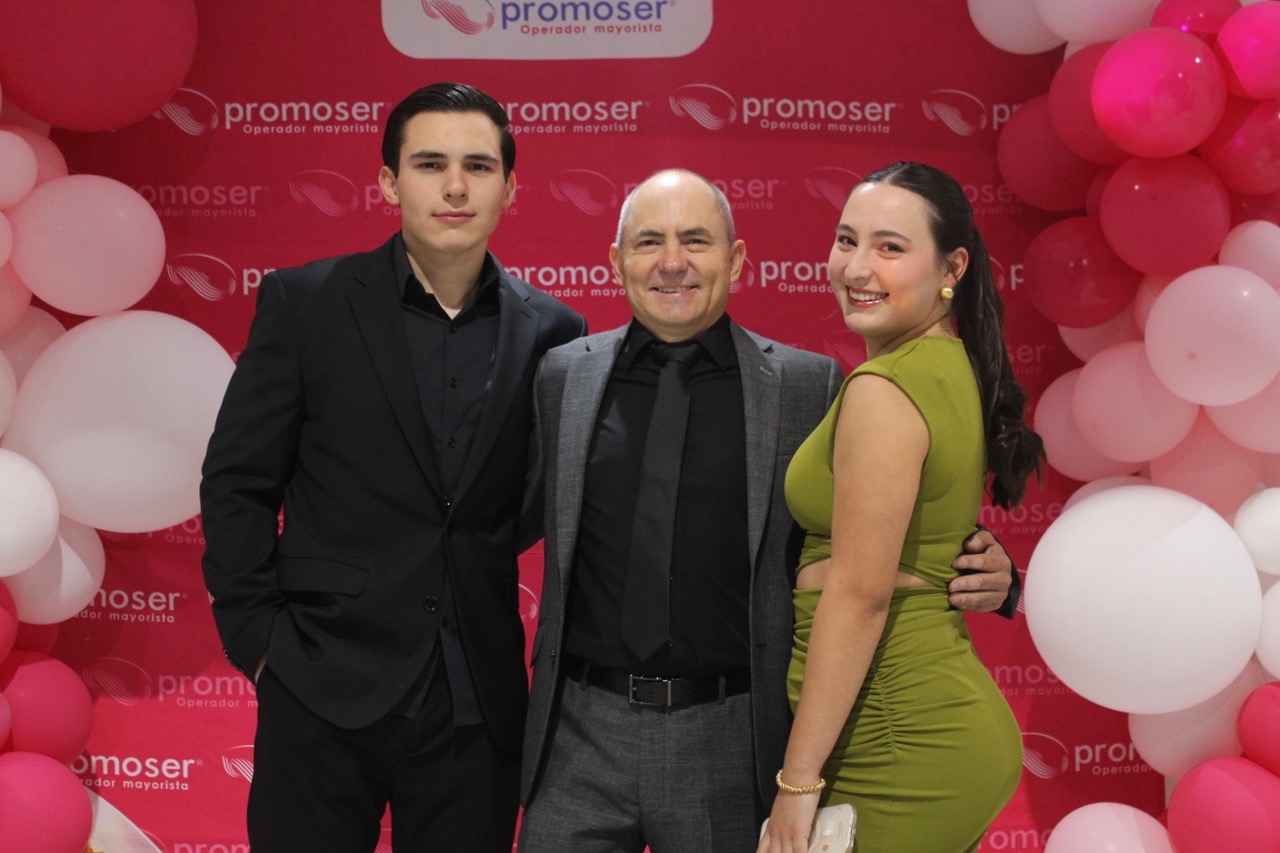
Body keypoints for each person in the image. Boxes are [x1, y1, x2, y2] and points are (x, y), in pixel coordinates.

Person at [518, 168, 1019, 853]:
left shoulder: (810, 385)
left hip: (732, 740)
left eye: (696, 240)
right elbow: (494, 522)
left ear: (736, 259)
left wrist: (997, 572)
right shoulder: (562, 376)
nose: (672, 262)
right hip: (580, 734)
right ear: (615, 260)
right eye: (649, 242)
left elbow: (887, 525)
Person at [198, 82, 586, 852]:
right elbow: (237, 480)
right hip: (319, 680)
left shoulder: (554, 329)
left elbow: (533, 500)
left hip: (475, 698)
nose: (455, 186)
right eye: (430, 164)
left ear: (510, 187)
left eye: (478, 166)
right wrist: (260, 642)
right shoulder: (306, 304)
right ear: (388, 182)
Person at [757, 161, 1045, 853]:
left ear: (952, 267)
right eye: (846, 239)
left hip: (898, 738)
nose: (857, 267)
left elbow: (861, 595)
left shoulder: (884, 389)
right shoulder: (950, 366)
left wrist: (797, 783)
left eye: (889, 247)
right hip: (927, 726)